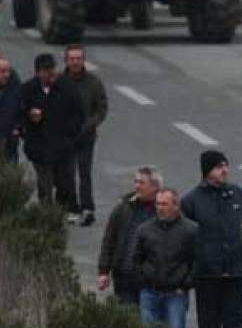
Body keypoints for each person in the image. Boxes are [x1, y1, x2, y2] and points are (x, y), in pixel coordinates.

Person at [181, 149, 242, 328]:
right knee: (209, 325)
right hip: (206, 275)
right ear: (207, 171)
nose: (224, 170)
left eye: (225, 165)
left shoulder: (238, 195)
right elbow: (184, 238)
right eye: (218, 166)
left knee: (236, 324)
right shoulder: (192, 200)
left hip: (234, 273)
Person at [134, 187, 199, 328]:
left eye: (164, 204)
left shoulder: (190, 230)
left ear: (175, 206)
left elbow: (197, 262)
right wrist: (143, 282)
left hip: (175, 294)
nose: (160, 208)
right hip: (150, 293)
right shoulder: (145, 229)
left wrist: (186, 284)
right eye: (158, 204)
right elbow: (136, 259)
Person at [20, 53, 84, 213]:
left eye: (52, 70)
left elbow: (79, 113)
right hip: (39, 148)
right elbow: (19, 113)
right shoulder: (28, 89)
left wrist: (70, 135)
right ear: (38, 72)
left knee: (64, 184)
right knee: (45, 184)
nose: (50, 74)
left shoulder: (66, 87)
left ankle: (61, 211)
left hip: (63, 148)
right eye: (46, 70)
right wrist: (29, 118)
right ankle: (47, 216)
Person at [96, 166, 162, 306]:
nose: (137, 186)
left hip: (151, 282)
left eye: (142, 183)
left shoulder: (164, 211)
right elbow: (109, 240)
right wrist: (104, 271)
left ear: (155, 186)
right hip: (124, 277)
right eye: (135, 181)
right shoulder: (123, 208)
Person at [63, 44, 108, 227]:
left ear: (83, 60)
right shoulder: (60, 81)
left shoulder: (94, 82)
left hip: (86, 137)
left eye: (78, 58)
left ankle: (88, 208)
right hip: (65, 137)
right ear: (66, 61)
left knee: (85, 172)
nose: (75, 62)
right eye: (72, 58)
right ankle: (72, 208)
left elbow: (101, 108)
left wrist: (89, 124)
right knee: (67, 173)